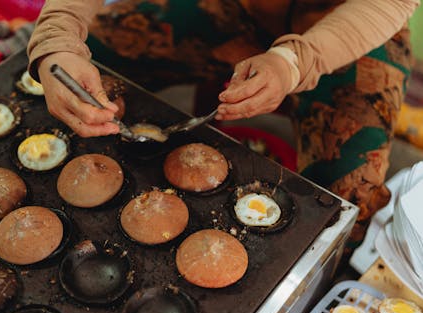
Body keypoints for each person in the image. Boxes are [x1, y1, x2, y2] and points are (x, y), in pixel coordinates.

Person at [27, 0, 420, 254]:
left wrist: (293, 61)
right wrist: (57, 40)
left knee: (348, 205)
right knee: (104, 51)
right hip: (236, 7)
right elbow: (65, 36)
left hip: (351, 29)